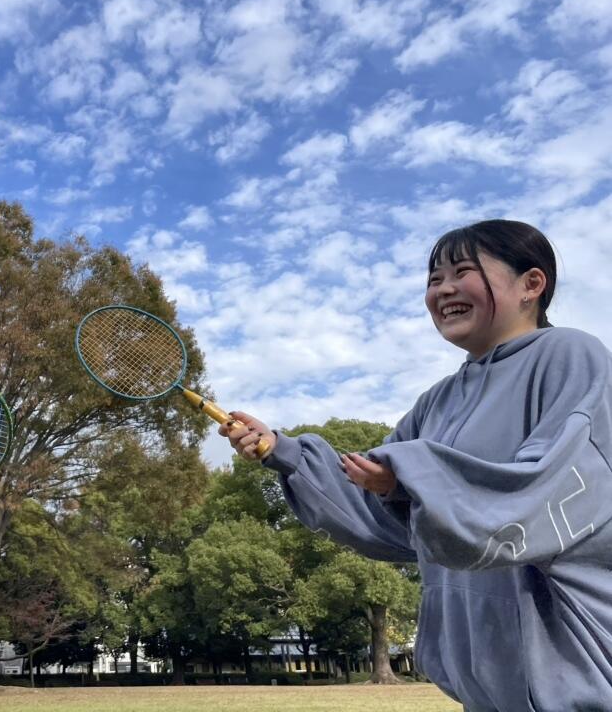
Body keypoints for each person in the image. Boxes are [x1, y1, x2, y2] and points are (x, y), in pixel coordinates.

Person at [222, 219, 612, 712]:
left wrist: (412, 476)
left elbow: (553, 486)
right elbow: (370, 501)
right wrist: (282, 449)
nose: (443, 290)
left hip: (577, 678)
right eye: (433, 280)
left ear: (531, 284)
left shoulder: (571, 355)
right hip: (483, 692)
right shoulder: (438, 402)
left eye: (462, 272)